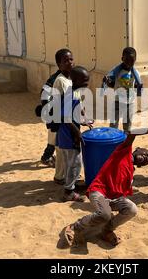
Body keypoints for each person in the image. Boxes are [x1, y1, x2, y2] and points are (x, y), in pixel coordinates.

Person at [63, 127, 148, 247]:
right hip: (98, 191)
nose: (145, 157)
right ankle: (75, 227)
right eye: (146, 153)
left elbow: (121, 194)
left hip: (112, 198)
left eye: (147, 160)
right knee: (105, 214)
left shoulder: (130, 174)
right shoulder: (123, 152)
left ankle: (106, 230)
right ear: (137, 149)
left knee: (132, 209)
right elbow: (132, 132)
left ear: (141, 165)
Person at [56, 66, 92, 202]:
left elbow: (78, 109)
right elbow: (66, 117)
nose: (87, 84)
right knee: (75, 163)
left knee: (70, 163)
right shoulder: (71, 95)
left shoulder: (74, 92)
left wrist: (84, 120)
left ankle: (73, 184)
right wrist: (77, 133)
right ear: (74, 80)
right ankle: (69, 192)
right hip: (68, 136)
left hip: (64, 135)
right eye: (84, 81)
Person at [103, 47, 143, 132]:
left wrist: (138, 87)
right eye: (126, 60)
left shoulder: (136, 74)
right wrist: (107, 82)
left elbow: (136, 86)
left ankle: (125, 142)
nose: (129, 62)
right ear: (122, 59)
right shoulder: (116, 72)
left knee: (127, 126)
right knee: (113, 125)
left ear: (135, 60)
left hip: (130, 103)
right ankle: (113, 141)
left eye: (131, 60)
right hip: (117, 101)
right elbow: (112, 85)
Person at [52, 49, 75, 185]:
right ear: (58, 64)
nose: (69, 63)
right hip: (62, 120)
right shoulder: (60, 81)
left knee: (64, 150)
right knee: (61, 150)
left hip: (71, 119)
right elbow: (56, 103)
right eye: (65, 61)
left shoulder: (72, 78)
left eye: (71, 59)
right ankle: (60, 177)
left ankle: (62, 175)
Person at [38, 69, 62, 167]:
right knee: (54, 135)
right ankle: (46, 157)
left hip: (55, 110)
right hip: (53, 111)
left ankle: (48, 156)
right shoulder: (56, 78)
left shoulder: (61, 77)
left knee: (54, 134)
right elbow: (44, 93)